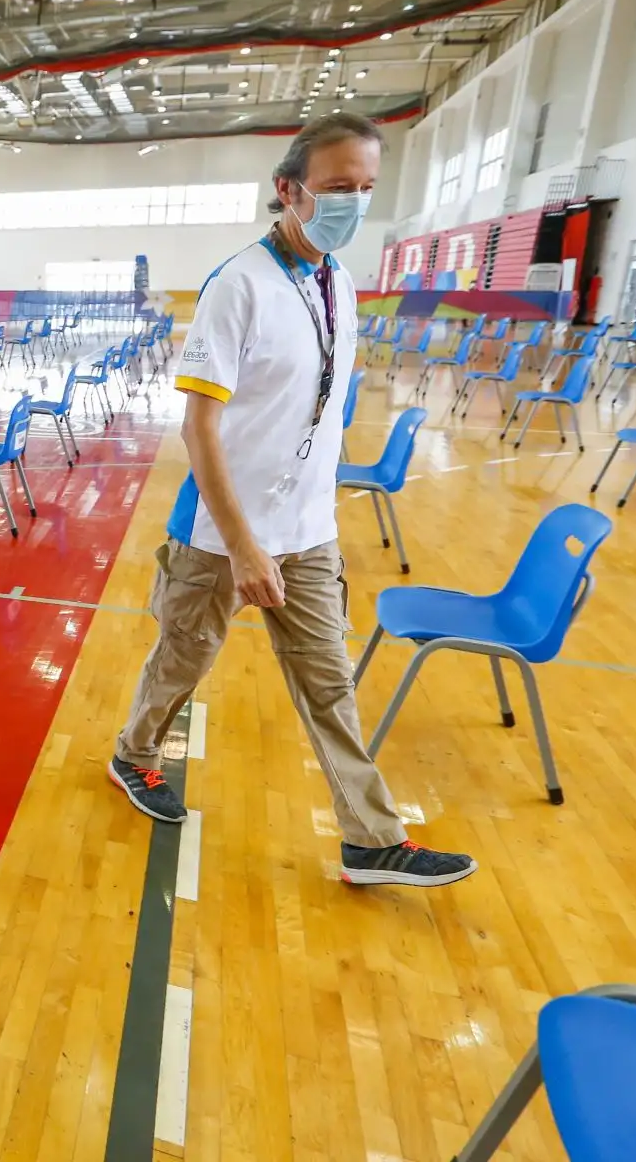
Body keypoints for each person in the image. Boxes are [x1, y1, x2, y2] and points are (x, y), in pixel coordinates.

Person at [107, 112, 477, 890]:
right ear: (289, 189)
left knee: (328, 684)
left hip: (307, 534)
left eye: (367, 188)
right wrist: (243, 544)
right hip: (219, 532)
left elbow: (316, 412)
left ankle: (371, 839)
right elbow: (200, 425)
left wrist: (313, 513)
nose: (354, 203)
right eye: (339, 187)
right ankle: (133, 755)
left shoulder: (338, 282)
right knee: (183, 661)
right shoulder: (237, 285)